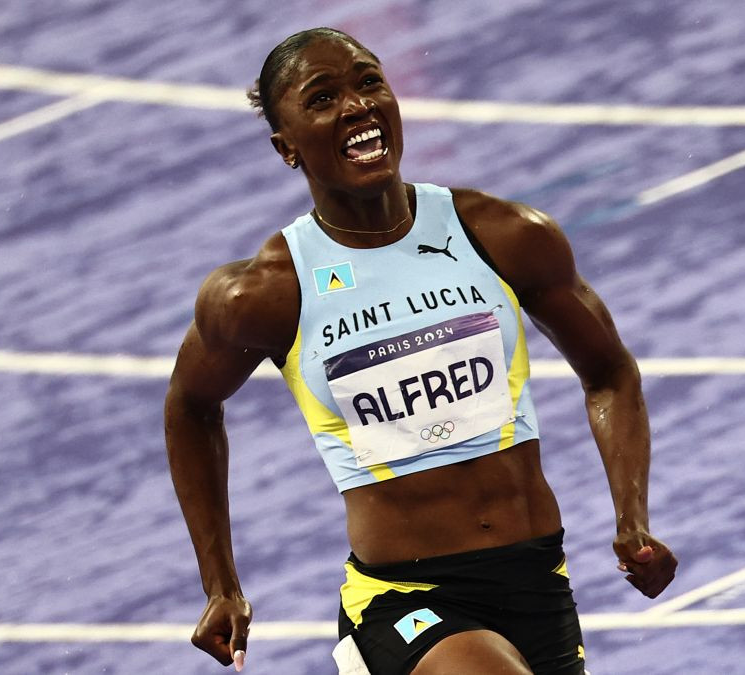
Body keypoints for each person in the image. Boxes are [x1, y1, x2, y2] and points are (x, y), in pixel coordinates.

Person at [164, 27, 677, 675]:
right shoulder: (264, 293)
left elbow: (608, 371)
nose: (356, 106)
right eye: (323, 98)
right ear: (286, 146)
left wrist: (632, 517)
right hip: (404, 598)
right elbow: (190, 404)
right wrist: (221, 583)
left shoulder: (504, 236)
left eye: (369, 82)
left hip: (538, 580)